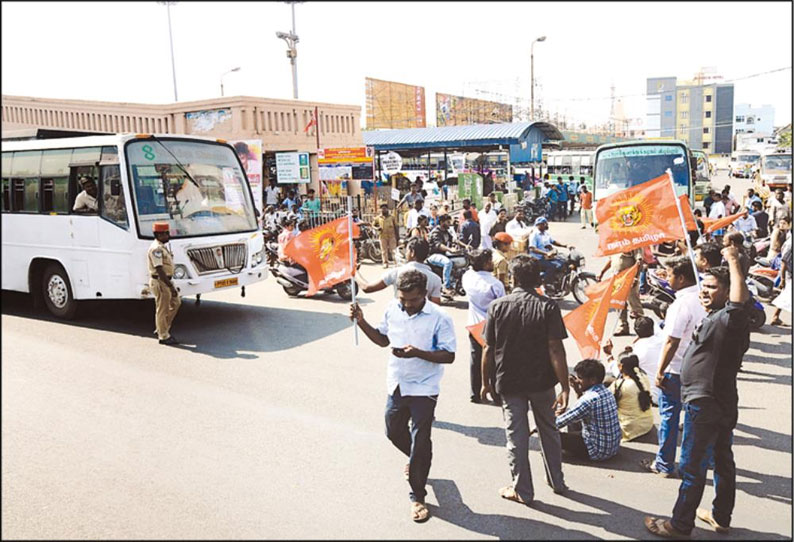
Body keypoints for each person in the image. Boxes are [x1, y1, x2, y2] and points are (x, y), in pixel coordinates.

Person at [644, 245, 751, 538]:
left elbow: (740, 303)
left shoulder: (730, 318)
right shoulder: (717, 316)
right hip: (719, 400)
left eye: (712, 287)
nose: (704, 292)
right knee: (722, 460)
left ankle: (679, 525)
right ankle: (720, 517)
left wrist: (732, 261)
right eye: (703, 286)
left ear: (729, 291)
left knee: (692, 465)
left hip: (706, 404)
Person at [349, 271, 456, 523]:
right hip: (397, 383)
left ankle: (417, 495)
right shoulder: (392, 309)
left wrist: (418, 353)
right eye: (402, 299)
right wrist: (362, 321)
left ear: (424, 295)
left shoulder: (440, 317)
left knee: (420, 441)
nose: (407, 305)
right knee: (393, 431)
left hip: (425, 387)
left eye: (413, 300)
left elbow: (449, 355)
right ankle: (418, 460)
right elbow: (382, 340)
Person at [481, 255, 570, 503]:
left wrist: (485, 382)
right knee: (549, 431)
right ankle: (557, 481)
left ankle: (523, 491)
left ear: (514, 278)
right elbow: (556, 349)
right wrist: (565, 386)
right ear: (537, 279)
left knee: (516, 437)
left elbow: (488, 349)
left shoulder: (497, 307)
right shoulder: (548, 306)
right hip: (542, 382)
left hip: (510, 382)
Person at [642, 257, 706, 478]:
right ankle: (691, 464)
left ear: (680, 277)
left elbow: (672, 341)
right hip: (700, 370)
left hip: (677, 369)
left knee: (669, 417)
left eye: (668, 274)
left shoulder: (681, 304)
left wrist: (660, 370)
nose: (666, 278)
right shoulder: (704, 296)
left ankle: (664, 463)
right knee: (692, 420)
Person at [555, 359, 622, 461]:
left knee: (550, 434)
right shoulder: (606, 392)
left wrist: (535, 428)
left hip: (597, 451)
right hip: (612, 448)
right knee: (574, 418)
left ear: (593, 380)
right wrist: (578, 391)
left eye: (580, 378)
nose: (577, 381)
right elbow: (580, 411)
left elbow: (557, 423)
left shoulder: (589, 399)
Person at [462, 249, 506, 403]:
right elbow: (502, 305)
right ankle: (495, 392)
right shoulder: (495, 284)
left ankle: (474, 393)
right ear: (486, 263)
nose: (493, 263)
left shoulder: (467, 277)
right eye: (490, 260)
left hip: (474, 325)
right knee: (494, 360)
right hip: (492, 325)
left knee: (475, 359)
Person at [359, 238, 442, 305]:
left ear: (412, 252)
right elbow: (435, 307)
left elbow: (367, 288)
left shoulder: (397, 272)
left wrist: (354, 272)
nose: (405, 253)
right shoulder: (435, 279)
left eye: (407, 250)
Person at [148, 222, 181, 346]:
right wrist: (171, 286)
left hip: (166, 280)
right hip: (161, 281)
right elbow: (160, 270)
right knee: (162, 309)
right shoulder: (156, 249)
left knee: (176, 302)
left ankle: (162, 327)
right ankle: (163, 336)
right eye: (166, 233)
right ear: (158, 234)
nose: (168, 235)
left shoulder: (162, 246)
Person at [609, 352, 654, 442]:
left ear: (621, 366)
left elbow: (609, 403)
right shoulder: (643, 376)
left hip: (629, 429)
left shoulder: (619, 385)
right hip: (647, 425)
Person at [598, 249, 644, 336]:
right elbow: (611, 260)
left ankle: (642, 328)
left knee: (634, 304)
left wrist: (636, 277)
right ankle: (623, 326)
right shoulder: (616, 244)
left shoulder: (634, 243)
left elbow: (639, 261)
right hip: (617, 279)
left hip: (629, 279)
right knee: (618, 303)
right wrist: (602, 272)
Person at [427, 214, 459, 295]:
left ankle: (454, 283)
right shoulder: (436, 232)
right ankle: (446, 286)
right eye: (448, 222)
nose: (450, 224)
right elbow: (438, 245)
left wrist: (465, 246)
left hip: (442, 255)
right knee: (448, 263)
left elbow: (454, 240)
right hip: (433, 255)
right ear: (441, 222)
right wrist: (450, 249)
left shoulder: (446, 232)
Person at [770, 233, 792, 326]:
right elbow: (784, 262)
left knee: (786, 296)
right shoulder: (790, 244)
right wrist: (782, 279)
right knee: (787, 295)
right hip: (790, 274)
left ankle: (775, 317)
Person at [373, 204, 400, 268]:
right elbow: (373, 225)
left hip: (392, 236)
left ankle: (396, 263)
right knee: (384, 251)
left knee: (393, 250)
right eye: (382, 208)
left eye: (385, 208)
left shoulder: (392, 217)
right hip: (382, 236)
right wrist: (377, 228)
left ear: (387, 209)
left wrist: (397, 236)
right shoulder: (378, 218)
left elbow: (396, 226)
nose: (384, 210)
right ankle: (385, 263)